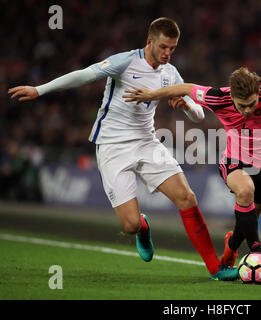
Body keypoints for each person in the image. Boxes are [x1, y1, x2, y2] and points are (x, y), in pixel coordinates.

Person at [8, 17, 239, 281]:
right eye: (163, 47)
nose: (167, 53)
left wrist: (186, 106)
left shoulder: (170, 73)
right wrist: (40, 89)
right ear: (150, 41)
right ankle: (142, 228)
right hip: (112, 146)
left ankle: (216, 269)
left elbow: (199, 114)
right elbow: (83, 76)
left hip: (147, 142)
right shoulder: (125, 61)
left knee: (187, 198)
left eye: (172, 49)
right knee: (129, 225)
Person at [123, 66, 261, 277]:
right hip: (234, 161)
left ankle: (232, 247)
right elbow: (186, 87)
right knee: (245, 191)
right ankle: (258, 253)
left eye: (252, 104)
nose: (247, 110)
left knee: (251, 217)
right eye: (242, 106)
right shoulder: (218, 98)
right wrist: (152, 94)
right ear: (233, 96)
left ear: (258, 93)